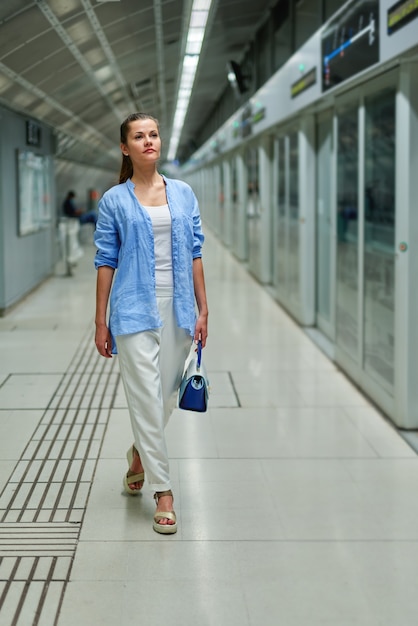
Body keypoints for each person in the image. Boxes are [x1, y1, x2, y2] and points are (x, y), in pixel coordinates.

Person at [94, 112, 208, 535]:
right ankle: (164, 491)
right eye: (138, 136)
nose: (148, 141)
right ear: (125, 148)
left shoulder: (182, 194)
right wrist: (100, 320)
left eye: (153, 134)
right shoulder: (114, 200)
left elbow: (196, 251)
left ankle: (139, 455)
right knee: (144, 395)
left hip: (178, 307)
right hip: (131, 308)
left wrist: (203, 308)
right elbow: (105, 260)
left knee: (164, 397)